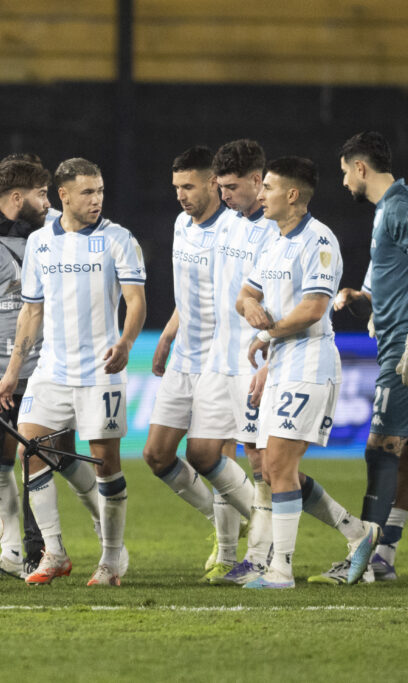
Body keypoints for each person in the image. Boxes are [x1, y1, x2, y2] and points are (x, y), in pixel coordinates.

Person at [0, 157, 147, 587]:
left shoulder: (119, 239)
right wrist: (12, 372)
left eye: (99, 191)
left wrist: (127, 343)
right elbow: (31, 311)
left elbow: (135, 302)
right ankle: (54, 552)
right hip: (52, 371)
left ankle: (112, 559)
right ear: (63, 195)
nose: (96, 199)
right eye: (87, 192)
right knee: (31, 451)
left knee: (105, 464)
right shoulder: (41, 244)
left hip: (102, 371)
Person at [237, 156, 380, 588]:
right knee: (266, 464)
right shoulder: (274, 241)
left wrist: (268, 332)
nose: (260, 195)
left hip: (310, 361)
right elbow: (244, 295)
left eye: (269, 188)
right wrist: (254, 312)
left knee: (278, 464)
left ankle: (280, 569)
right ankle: (358, 533)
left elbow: (314, 309)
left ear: (292, 195)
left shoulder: (318, 241)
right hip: (282, 361)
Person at [0, 156, 101, 580]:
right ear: (17, 197)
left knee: (52, 457)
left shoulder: (62, 231)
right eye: (42, 194)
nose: (50, 202)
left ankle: (99, 524)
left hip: (49, 367)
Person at [141, 146, 257, 583]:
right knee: (156, 454)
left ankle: (233, 553)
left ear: (213, 183)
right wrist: (168, 335)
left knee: (216, 453)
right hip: (184, 356)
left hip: (220, 357)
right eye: (176, 188)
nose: (180, 196)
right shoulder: (180, 225)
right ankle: (231, 522)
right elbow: (187, 294)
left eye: (188, 186)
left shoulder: (234, 229)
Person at [315, 130, 408, 583]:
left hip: (402, 348)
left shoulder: (400, 207)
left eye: (344, 173)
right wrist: (361, 296)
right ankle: (383, 556)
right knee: (402, 453)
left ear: (360, 168)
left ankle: (364, 559)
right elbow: (390, 276)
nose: (344, 183)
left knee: (381, 450)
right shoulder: (386, 211)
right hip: (392, 338)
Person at [186, 139, 278, 585]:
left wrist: (267, 354)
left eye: (232, 186)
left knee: (261, 463)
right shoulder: (227, 225)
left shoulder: (278, 230)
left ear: (259, 182)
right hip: (216, 359)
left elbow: (281, 301)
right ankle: (270, 533)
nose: (224, 195)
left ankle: (261, 557)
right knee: (201, 453)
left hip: (252, 359)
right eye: (220, 186)